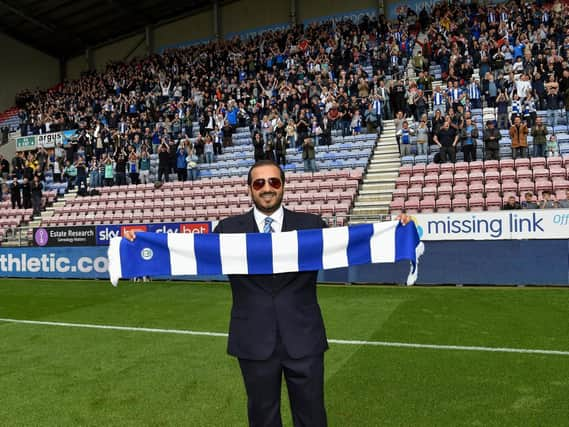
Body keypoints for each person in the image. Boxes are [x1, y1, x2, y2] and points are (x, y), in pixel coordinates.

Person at [214, 160, 329, 427]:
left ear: (283, 186)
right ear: (250, 189)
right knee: (262, 418)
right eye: (259, 183)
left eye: (274, 182)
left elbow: (356, 241)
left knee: (312, 416)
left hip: (304, 337)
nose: (267, 189)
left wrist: (399, 230)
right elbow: (185, 250)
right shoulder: (227, 230)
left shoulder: (312, 226)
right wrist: (139, 247)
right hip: (253, 340)